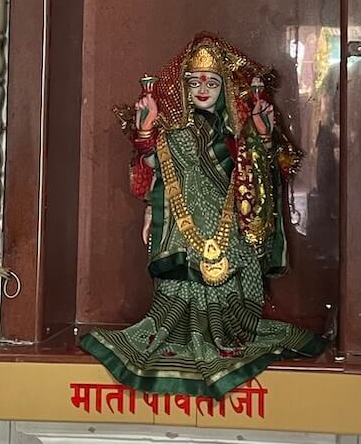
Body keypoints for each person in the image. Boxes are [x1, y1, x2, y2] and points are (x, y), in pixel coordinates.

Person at [80, 33, 327, 398]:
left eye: (211, 82)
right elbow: (157, 167)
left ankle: (226, 331)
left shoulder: (235, 134)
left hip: (228, 229)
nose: (202, 90)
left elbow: (260, 175)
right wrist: (146, 132)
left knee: (230, 293)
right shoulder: (175, 132)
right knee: (177, 295)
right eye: (194, 82)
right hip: (183, 228)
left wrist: (262, 138)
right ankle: (179, 332)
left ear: (224, 86)